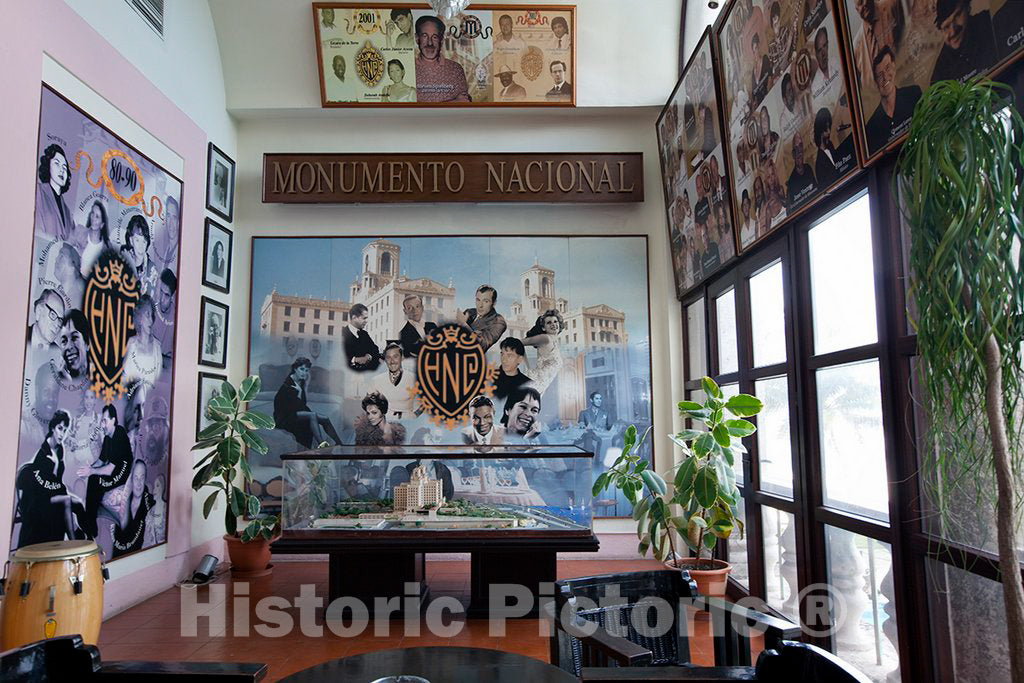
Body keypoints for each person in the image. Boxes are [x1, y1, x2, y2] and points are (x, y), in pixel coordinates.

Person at [15, 410, 86, 547]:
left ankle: (89, 539)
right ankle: (73, 543)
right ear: (52, 428)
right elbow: (41, 488)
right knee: (66, 500)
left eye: (65, 430)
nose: (62, 434)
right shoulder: (44, 454)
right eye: (60, 429)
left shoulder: (60, 449)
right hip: (39, 500)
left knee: (78, 503)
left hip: (51, 495)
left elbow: (57, 482)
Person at [78, 404, 133, 539]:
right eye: (101, 420)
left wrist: (92, 472)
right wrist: (89, 468)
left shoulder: (119, 434)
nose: (102, 424)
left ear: (113, 420)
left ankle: (90, 527)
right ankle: (90, 525)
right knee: (93, 479)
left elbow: (109, 470)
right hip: (114, 473)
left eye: (105, 420)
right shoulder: (108, 437)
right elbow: (101, 461)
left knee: (95, 481)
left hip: (122, 475)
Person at [273, 357, 341, 448]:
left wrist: (305, 388)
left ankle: (340, 443)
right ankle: (321, 444)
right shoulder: (288, 384)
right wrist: (300, 392)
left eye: (306, 370)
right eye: (301, 369)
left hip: (295, 411)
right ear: (295, 369)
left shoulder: (301, 381)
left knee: (325, 418)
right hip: (284, 417)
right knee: (312, 415)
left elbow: (303, 404)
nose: (304, 372)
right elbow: (292, 408)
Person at [865, 47, 921, 153]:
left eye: (887, 68)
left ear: (894, 67)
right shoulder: (871, 127)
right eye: (880, 75)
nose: (885, 77)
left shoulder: (914, 95)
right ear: (876, 82)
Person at [929, 0, 997, 84]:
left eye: (957, 15)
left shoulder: (989, 23)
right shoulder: (941, 69)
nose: (953, 31)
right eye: (946, 27)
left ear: (968, 7)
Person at [851, 0, 905, 91]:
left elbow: (907, 33)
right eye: (860, 2)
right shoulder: (856, 47)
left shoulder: (892, 5)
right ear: (856, 8)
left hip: (905, 77)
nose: (864, 4)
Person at [415, 15, 471, 103]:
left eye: (435, 37)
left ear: (441, 41)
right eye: (425, 36)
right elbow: (404, 106)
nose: (430, 43)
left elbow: (463, 102)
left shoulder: (455, 69)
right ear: (417, 39)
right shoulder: (407, 70)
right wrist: (453, 102)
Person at [111, 459, 154, 557]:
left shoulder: (150, 504)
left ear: (145, 479)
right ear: (131, 480)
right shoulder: (123, 503)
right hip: (118, 560)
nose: (139, 483)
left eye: (142, 478)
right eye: (136, 478)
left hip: (140, 561)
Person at [123, 295, 162, 400]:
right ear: (139, 317)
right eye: (147, 315)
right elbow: (124, 378)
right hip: (131, 402)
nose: (151, 320)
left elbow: (158, 383)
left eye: (152, 316)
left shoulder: (157, 347)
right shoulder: (131, 344)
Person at [35, 144, 73, 241]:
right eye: (57, 163)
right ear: (48, 166)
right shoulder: (38, 192)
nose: (62, 170)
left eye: (65, 167)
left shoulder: (68, 213)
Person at [522, 309, 564, 396]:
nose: (553, 324)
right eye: (549, 323)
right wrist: (527, 368)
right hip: (532, 384)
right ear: (543, 327)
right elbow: (516, 343)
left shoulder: (554, 342)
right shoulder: (545, 338)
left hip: (540, 389)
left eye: (555, 321)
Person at [369, 343, 416, 418]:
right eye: (388, 357)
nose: (392, 361)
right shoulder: (376, 380)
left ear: (402, 358)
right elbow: (369, 405)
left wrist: (416, 414)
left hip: (409, 421)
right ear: (385, 360)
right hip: (387, 422)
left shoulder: (413, 378)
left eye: (395, 356)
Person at [456, 285, 507, 353]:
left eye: (486, 301)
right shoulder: (470, 312)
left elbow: (481, 345)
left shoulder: (498, 322)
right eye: (478, 300)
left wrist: (464, 325)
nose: (480, 305)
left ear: (494, 303)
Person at [813, 106, 855, 188]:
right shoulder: (819, 163)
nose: (829, 131)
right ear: (820, 130)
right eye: (826, 128)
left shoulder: (831, 145)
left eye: (829, 127)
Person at [121, 214, 158, 296]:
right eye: (137, 240)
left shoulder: (152, 271)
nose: (141, 247)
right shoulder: (121, 261)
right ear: (131, 240)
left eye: (144, 241)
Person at [56, 309, 90, 387]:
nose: (69, 346)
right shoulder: (57, 381)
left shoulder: (98, 378)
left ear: (87, 343)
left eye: (74, 337)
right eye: (64, 341)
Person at [343, 303, 380, 371]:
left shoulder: (364, 334)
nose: (366, 321)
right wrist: (355, 360)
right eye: (364, 318)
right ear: (354, 318)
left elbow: (375, 350)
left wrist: (368, 357)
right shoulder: (342, 334)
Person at [27, 288, 66, 353]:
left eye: (60, 320)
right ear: (39, 311)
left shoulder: (59, 353)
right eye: (53, 314)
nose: (57, 325)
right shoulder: (20, 335)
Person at [785, 134, 818, 209]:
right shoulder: (791, 182)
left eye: (800, 146)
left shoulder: (808, 168)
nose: (799, 151)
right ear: (793, 154)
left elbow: (817, 190)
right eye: (796, 148)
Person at [399, 294, 437, 358]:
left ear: (422, 308)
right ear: (405, 311)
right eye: (410, 308)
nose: (415, 310)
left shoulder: (432, 326)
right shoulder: (403, 333)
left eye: (417, 306)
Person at [151, 269, 176, 366]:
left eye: (166, 295)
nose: (162, 299)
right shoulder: (150, 310)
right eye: (161, 291)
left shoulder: (177, 318)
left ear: (172, 297)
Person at [79, 200, 111, 277]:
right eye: (92, 213)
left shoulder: (107, 248)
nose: (93, 218)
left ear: (102, 225)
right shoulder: (80, 234)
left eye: (97, 216)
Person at [55, 243, 85, 310]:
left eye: (61, 256)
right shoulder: (57, 293)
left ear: (72, 268)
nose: (56, 259)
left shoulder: (79, 302)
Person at [779, 73, 809, 138]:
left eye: (792, 89)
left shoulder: (800, 102)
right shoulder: (783, 121)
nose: (792, 94)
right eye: (789, 91)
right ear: (784, 100)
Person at [695, 200, 720, 274]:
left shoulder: (715, 246)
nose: (705, 238)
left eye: (705, 234)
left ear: (708, 235)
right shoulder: (703, 259)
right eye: (703, 236)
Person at [750, 32, 773, 105]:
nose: (756, 51)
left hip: (769, 97)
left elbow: (770, 77)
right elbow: (754, 93)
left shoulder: (765, 59)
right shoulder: (753, 72)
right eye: (755, 49)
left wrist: (768, 95)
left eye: (757, 47)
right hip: (761, 104)